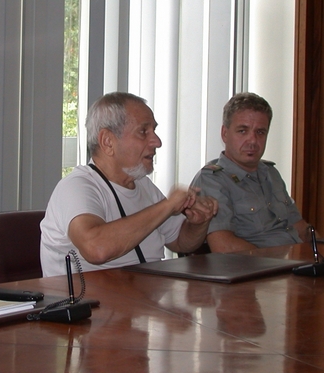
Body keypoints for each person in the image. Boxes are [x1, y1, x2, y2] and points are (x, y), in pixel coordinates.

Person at [40, 92, 218, 277]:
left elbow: (181, 242)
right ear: (108, 141)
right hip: (93, 303)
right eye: (143, 132)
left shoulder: (143, 185)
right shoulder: (76, 187)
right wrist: (167, 205)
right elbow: (96, 249)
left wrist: (198, 223)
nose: (157, 142)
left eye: (154, 131)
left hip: (146, 297)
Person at [191, 92, 309, 252]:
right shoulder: (212, 181)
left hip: (294, 262)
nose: (253, 140)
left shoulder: (271, 173)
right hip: (259, 270)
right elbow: (224, 247)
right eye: (242, 131)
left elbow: (300, 228)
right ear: (224, 134)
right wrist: (278, 264)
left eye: (260, 132)